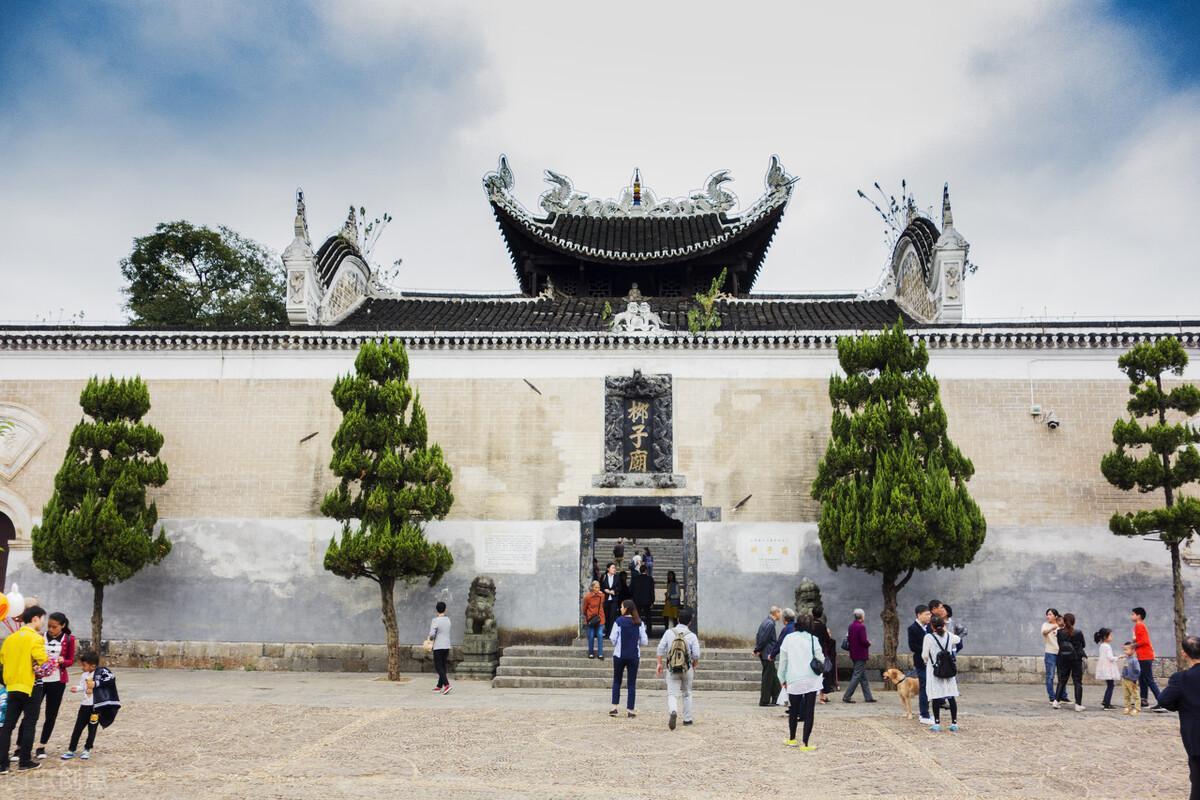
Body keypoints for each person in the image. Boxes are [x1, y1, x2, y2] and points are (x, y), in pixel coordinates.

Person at [0, 605, 49, 773]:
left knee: (7, 725)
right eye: (42, 619)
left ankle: (2, 763)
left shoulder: (10, 639)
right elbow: (43, 661)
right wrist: (53, 663)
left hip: (12, 686)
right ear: (35, 618)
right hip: (30, 686)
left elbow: (3, 661)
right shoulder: (35, 638)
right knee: (29, 723)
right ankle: (24, 761)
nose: (43, 623)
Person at [1157, 634, 1200, 800]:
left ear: (1184, 654)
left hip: (1196, 737)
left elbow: (1164, 700)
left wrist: (1182, 704)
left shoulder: (1181, 679)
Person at [776, 613, 823, 751]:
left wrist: (782, 678)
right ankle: (805, 743)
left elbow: (783, 661)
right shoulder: (814, 639)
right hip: (811, 680)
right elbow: (821, 659)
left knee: (793, 710)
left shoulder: (788, 639)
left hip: (793, 679)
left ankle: (791, 739)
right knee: (809, 711)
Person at [36, 611, 77, 759]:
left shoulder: (69, 639)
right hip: (39, 680)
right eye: (49, 626)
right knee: (31, 713)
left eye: (54, 627)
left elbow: (71, 660)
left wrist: (62, 661)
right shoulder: (40, 636)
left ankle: (42, 745)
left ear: (62, 625)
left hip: (57, 681)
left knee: (51, 714)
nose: (51, 629)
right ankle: (21, 746)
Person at [656, 607, 700, 730]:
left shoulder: (669, 633)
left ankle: (673, 711)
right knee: (687, 694)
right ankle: (687, 719)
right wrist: (694, 664)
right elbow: (696, 654)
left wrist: (659, 663)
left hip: (672, 667)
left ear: (678, 619)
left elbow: (660, 649)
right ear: (690, 621)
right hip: (687, 668)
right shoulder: (692, 636)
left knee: (672, 694)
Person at [922, 613, 962, 732]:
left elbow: (924, 655)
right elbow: (958, 639)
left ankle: (937, 723)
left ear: (932, 626)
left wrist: (928, 660)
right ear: (943, 625)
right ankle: (954, 723)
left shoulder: (929, 637)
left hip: (935, 670)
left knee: (936, 696)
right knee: (951, 696)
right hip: (948, 670)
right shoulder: (949, 636)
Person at [609, 599, 648, 717]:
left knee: (617, 681)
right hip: (634, 655)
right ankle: (630, 710)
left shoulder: (619, 622)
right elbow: (644, 641)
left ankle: (614, 707)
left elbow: (612, 638)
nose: (620, 609)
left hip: (619, 655)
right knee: (631, 683)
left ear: (626, 609)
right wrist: (636, 643)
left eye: (621, 607)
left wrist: (617, 644)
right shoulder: (638, 623)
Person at [61, 650, 101, 761]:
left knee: (92, 728)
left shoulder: (99, 675)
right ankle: (71, 749)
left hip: (95, 707)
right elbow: (82, 686)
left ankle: (87, 749)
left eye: (84, 665)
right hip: (84, 705)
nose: (82, 667)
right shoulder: (84, 675)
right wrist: (77, 688)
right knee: (77, 728)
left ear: (93, 666)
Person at [1132, 607, 1165, 711]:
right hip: (1143, 655)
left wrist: (1133, 645)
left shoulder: (1139, 625)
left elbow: (1144, 641)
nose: (1131, 616)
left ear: (1139, 616)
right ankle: (1143, 700)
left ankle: (1162, 702)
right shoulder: (1139, 625)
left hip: (1145, 656)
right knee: (1142, 678)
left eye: (1133, 614)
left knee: (1149, 679)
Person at [1053, 612, 1086, 711]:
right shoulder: (1078, 632)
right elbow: (1083, 645)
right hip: (1076, 659)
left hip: (1063, 658)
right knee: (1077, 681)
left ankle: (1056, 701)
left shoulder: (1060, 632)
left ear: (1064, 621)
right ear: (1073, 621)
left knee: (1062, 680)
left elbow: (1060, 645)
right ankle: (1078, 705)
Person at [842, 608, 875, 704]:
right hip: (861, 654)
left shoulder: (851, 626)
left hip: (854, 653)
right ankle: (847, 696)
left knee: (862, 676)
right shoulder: (861, 627)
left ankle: (868, 697)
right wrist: (869, 643)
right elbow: (863, 641)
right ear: (862, 617)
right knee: (857, 675)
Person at [908, 604, 933, 724]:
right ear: (919, 615)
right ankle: (924, 714)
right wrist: (926, 650)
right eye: (927, 614)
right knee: (924, 686)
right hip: (920, 662)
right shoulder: (912, 628)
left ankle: (927, 712)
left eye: (930, 614)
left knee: (929, 687)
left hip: (931, 662)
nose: (929, 616)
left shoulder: (929, 627)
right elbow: (912, 646)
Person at [755, 607, 783, 707]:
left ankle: (778, 697)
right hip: (767, 654)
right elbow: (763, 638)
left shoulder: (766, 622)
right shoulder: (770, 624)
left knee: (773, 675)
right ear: (776, 613)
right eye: (780, 612)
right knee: (767, 678)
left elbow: (758, 635)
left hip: (766, 653)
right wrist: (757, 649)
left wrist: (758, 649)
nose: (781, 615)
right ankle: (764, 700)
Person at [811, 606, 836, 702]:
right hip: (820, 652)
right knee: (821, 673)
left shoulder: (809, 625)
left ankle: (811, 694)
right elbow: (827, 639)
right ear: (821, 615)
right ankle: (822, 695)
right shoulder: (822, 626)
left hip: (809, 651)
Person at [428, 601, 452, 695]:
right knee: (443, 665)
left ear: (436, 610)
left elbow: (432, 635)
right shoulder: (448, 620)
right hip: (446, 645)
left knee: (438, 666)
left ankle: (446, 685)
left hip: (438, 646)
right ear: (445, 609)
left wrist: (430, 638)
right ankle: (439, 685)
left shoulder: (435, 620)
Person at [1094, 627, 1120, 710]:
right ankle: (1107, 704)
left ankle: (1105, 701)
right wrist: (1119, 657)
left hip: (1104, 667)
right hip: (1108, 668)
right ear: (1105, 637)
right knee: (1111, 686)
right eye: (1110, 635)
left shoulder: (1102, 645)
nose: (1112, 637)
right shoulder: (1107, 646)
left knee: (1109, 685)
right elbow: (1110, 658)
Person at [1041, 608, 1062, 704]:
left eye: (1050, 614)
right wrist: (1053, 628)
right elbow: (1044, 632)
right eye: (1047, 614)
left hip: (1061, 653)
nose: (1048, 616)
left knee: (1062, 675)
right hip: (1050, 653)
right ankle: (1052, 697)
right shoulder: (1045, 625)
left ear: (1055, 616)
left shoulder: (1061, 625)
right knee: (1050, 676)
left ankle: (1063, 696)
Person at [582, 580, 606, 659]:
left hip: (600, 618)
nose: (597, 589)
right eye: (596, 587)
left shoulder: (602, 596)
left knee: (600, 635)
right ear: (592, 588)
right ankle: (591, 652)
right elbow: (584, 609)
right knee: (591, 636)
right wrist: (588, 617)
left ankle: (600, 653)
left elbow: (602, 604)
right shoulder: (587, 597)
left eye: (599, 587)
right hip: (591, 619)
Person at [600, 563, 625, 638]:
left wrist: (614, 591)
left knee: (612, 616)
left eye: (615, 568)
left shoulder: (617, 577)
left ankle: (610, 633)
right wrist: (605, 590)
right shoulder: (603, 577)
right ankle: (607, 632)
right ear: (608, 569)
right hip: (606, 599)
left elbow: (620, 587)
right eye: (613, 568)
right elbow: (600, 587)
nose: (614, 569)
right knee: (606, 616)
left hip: (614, 599)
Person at [630, 564, 655, 637]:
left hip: (637, 600)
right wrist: (652, 601)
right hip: (647, 601)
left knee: (637, 616)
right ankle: (649, 632)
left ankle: (636, 630)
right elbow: (651, 591)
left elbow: (631, 590)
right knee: (648, 617)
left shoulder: (635, 579)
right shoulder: (650, 579)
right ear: (646, 570)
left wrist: (633, 597)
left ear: (640, 570)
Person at [1120, 640, 1142, 716]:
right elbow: (1125, 668)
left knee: (1135, 695)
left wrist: (1134, 679)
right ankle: (1127, 707)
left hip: (1132, 680)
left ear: (1133, 650)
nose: (1124, 651)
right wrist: (1123, 676)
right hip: (1125, 680)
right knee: (1126, 695)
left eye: (1126, 649)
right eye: (1124, 649)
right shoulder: (1127, 658)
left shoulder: (1134, 660)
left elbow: (1137, 670)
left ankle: (1137, 708)